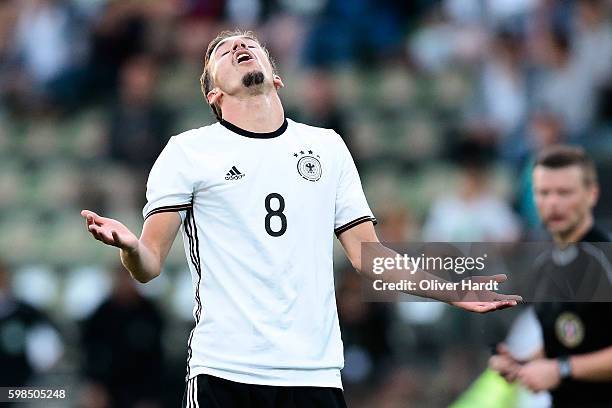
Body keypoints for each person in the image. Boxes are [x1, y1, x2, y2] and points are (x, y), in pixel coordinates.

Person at [81, 29, 519, 408]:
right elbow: (149, 264)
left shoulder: (327, 147)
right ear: (213, 93)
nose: (238, 47)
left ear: (276, 75)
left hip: (313, 372)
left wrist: (452, 291)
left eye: (248, 44)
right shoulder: (188, 151)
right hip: (226, 369)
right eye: (224, 50)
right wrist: (130, 248)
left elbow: (369, 256)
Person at [490, 145, 612, 407]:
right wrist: (523, 364)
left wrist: (561, 369)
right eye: (544, 193)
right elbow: (568, 342)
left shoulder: (604, 261)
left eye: (564, 192)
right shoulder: (544, 265)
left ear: (591, 194)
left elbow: (565, 363)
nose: (553, 203)